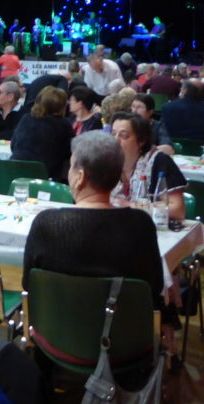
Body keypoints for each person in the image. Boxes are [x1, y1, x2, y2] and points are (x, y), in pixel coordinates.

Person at [22, 131, 164, 313]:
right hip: (122, 332)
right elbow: (154, 288)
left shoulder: (46, 223)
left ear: (80, 177)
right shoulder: (140, 224)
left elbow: (29, 284)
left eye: (71, 167)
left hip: (57, 333)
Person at [110, 113, 186, 219]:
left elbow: (177, 210)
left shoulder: (159, 161)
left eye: (124, 136)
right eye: (113, 134)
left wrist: (130, 206)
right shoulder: (106, 161)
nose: (116, 140)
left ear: (141, 141)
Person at [10, 86, 73, 181]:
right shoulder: (63, 124)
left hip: (14, 172)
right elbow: (69, 153)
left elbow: (13, 145)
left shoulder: (26, 119)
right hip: (45, 178)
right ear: (62, 106)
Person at [160, 79, 204, 147]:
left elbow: (162, 134)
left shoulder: (168, 107)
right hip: (203, 154)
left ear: (184, 91)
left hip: (174, 150)